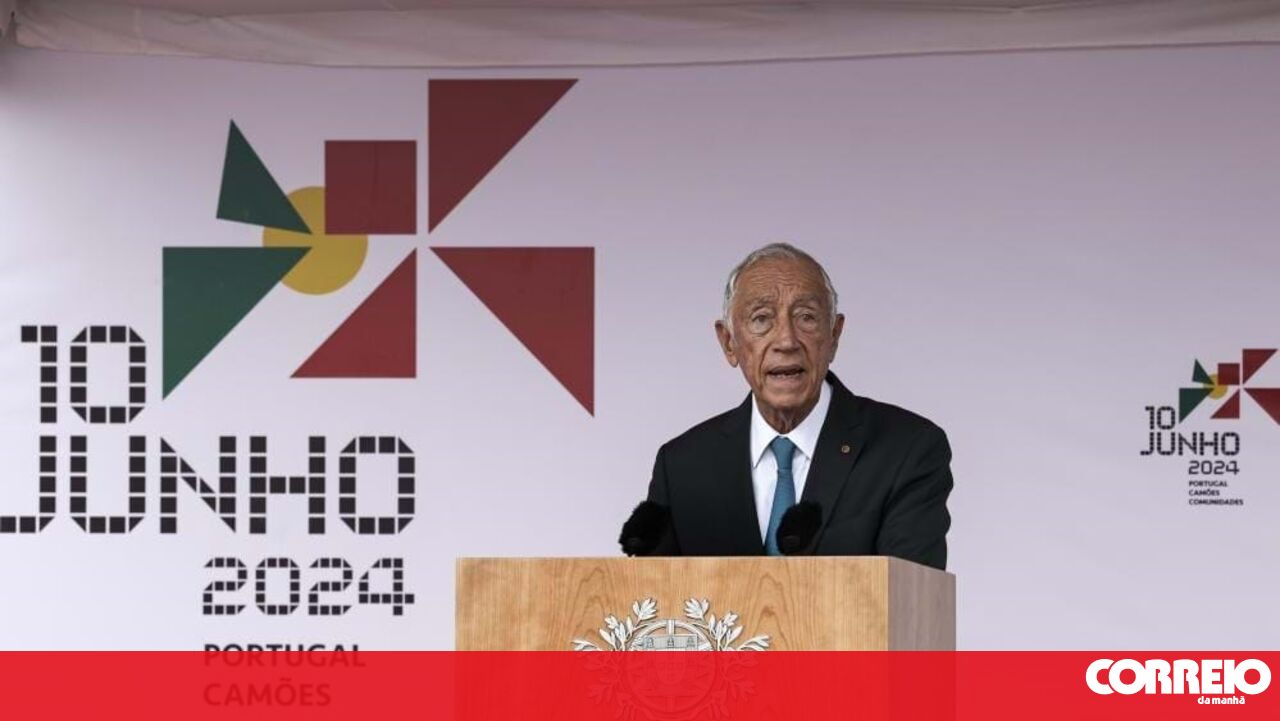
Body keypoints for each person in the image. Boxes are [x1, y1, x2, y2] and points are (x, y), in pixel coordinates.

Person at [643, 243, 953, 569]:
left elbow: (909, 594)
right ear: (729, 343)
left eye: (806, 317)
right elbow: (652, 594)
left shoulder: (907, 450)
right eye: (761, 319)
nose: (787, 341)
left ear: (834, 336)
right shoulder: (681, 466)